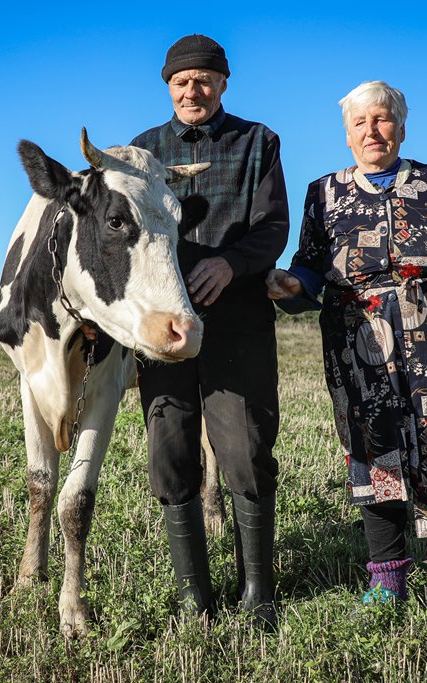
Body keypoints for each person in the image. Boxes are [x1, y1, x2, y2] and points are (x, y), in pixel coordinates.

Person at [267, 80, 427, 625]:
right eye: (361, 123)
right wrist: (294, 286)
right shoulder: (322, 193)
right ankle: (387, 582)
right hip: (359, 349)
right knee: (374, 457)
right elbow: (309, 264)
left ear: (401, 127)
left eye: (382, 119)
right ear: (347, 135)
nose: (372, 131)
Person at [131, 35, 289, 624]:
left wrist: (232, 263)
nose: (192, 91)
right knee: (170, 448)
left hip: (238, 320)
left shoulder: (257, 141)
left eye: (204, 80)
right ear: (168, 86)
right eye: (181, 81)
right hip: (162, 328)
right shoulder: (140, 153)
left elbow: (273, 227)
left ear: (223, 83)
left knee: (246, 448)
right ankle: (193, 595)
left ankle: (259, 592)